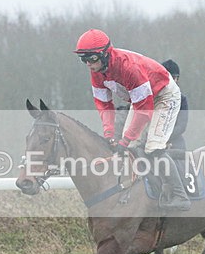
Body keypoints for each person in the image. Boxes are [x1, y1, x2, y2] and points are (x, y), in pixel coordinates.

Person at [74, 29, 190, 210]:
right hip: (141, 99)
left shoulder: (128, 67)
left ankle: (179, 195)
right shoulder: (96, 72)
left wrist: (125, 139)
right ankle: (138, 191)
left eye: (92, 58)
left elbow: (144, 111)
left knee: (153, 147)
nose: (88, 64)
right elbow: (104, 104)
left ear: (105, 54)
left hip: (164, 96)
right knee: (130, 148)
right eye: (84, 59)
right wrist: (109, 133)